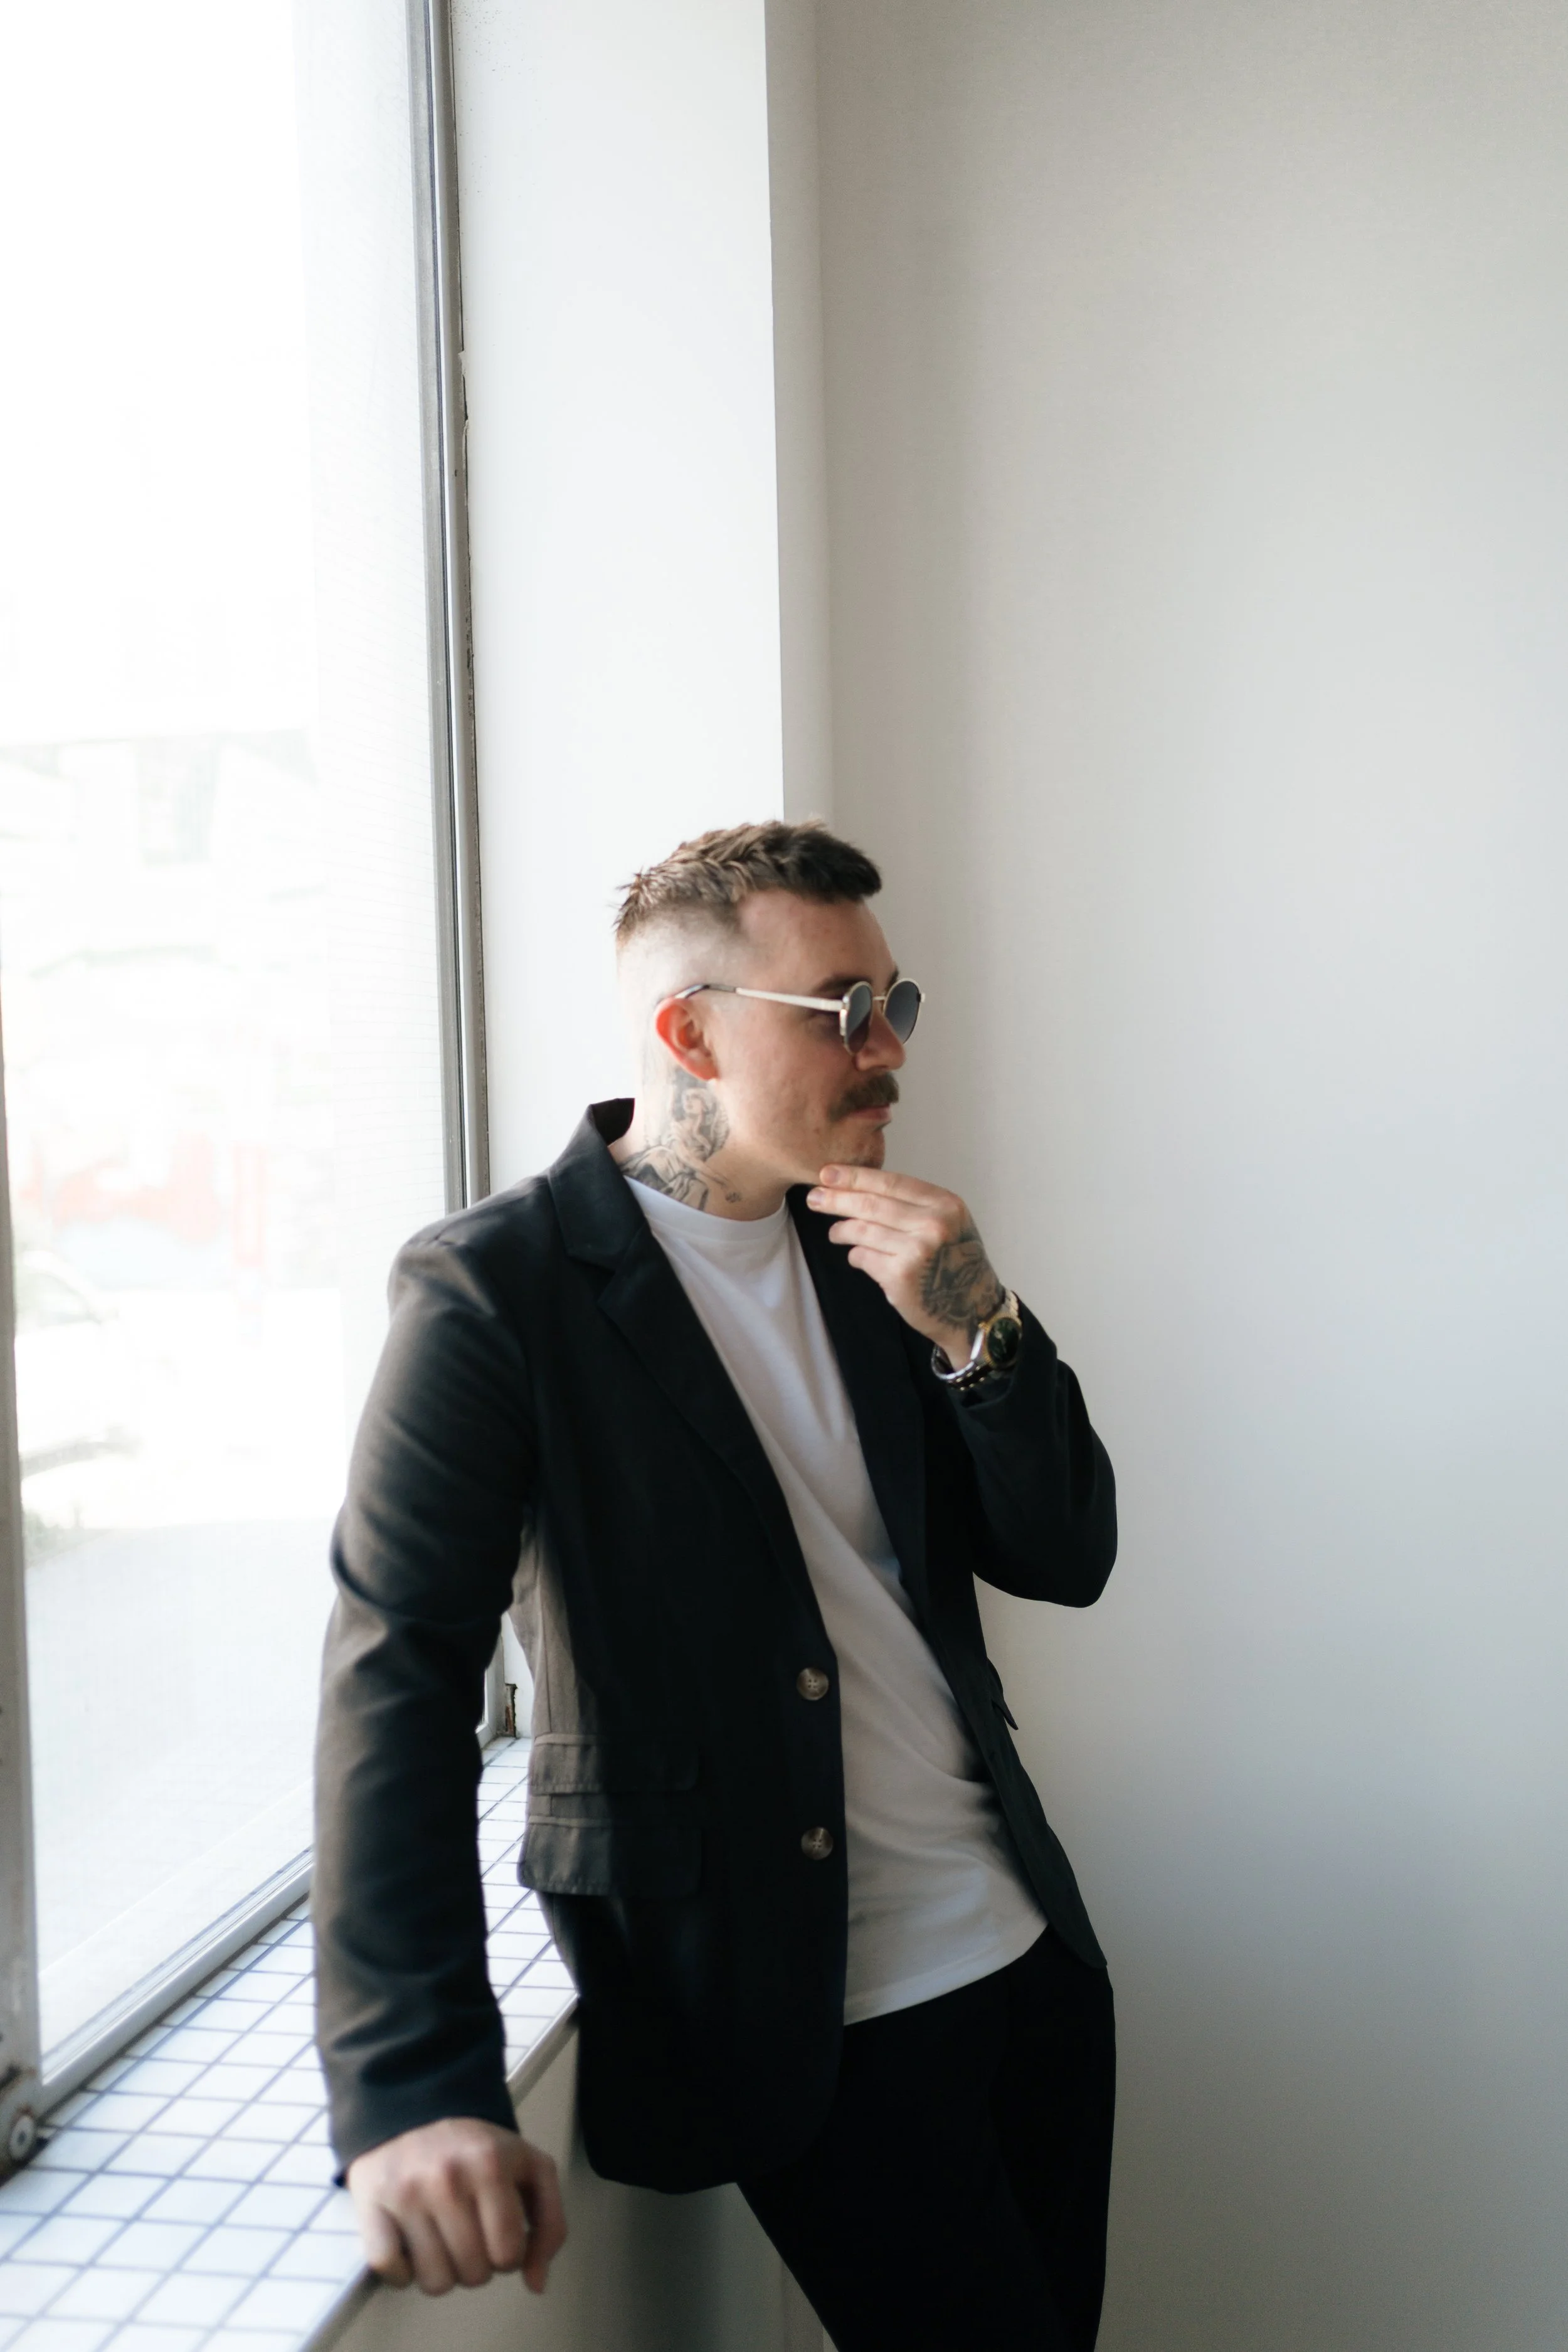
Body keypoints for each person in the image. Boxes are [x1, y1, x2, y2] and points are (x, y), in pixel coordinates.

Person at [313, 820, 1118, 2352]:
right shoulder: (499, 1292)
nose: (886, 1047)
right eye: (838, 1012)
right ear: (688, 1031)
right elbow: (397, 1679)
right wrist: (413, 2086)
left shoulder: (867, 1245)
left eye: (896, 1003)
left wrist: (979, 1331)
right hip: (803, 2009)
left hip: (1026, 1959)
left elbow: (1065, 1555)